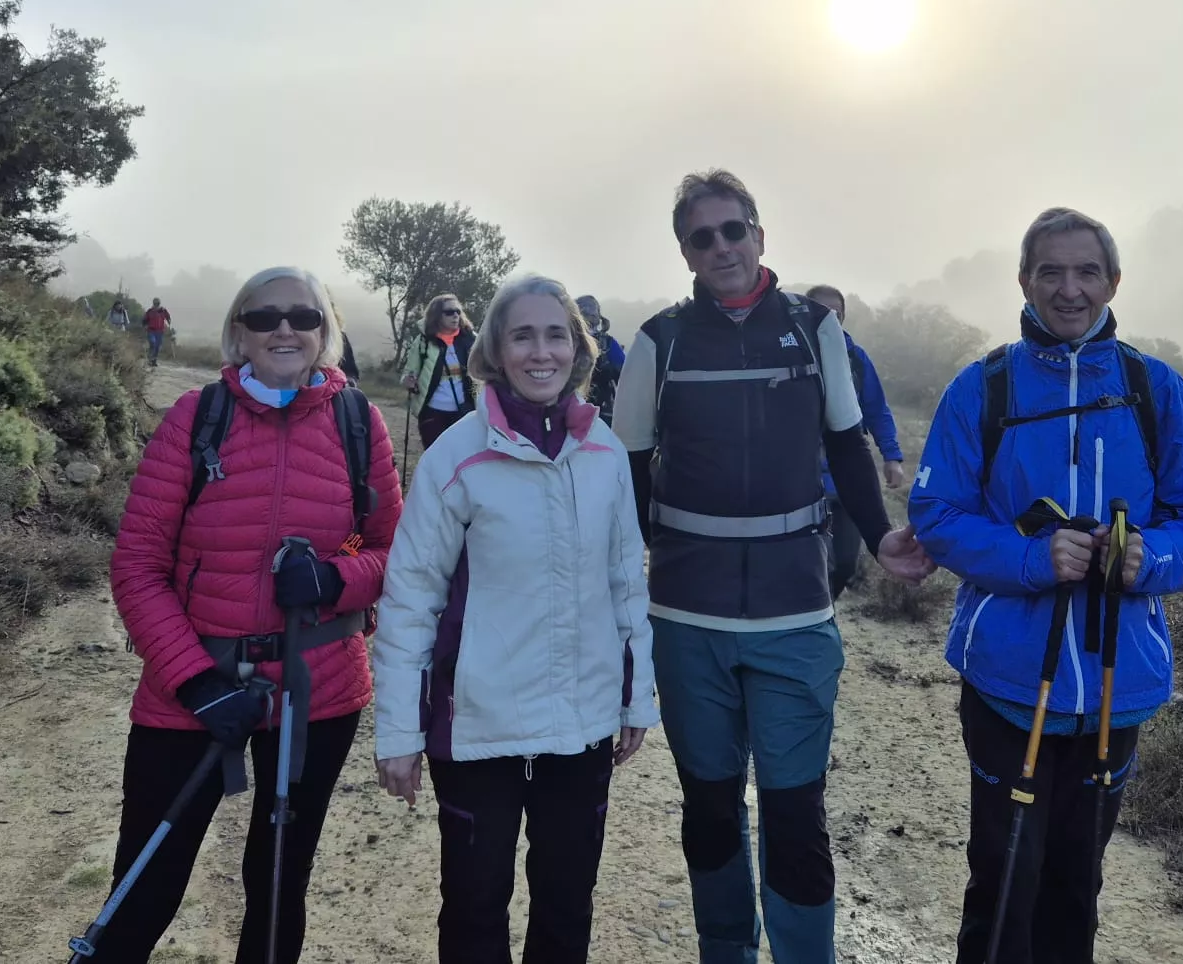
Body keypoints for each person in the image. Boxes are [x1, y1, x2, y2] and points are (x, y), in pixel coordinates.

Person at [611, 169, 934, 963]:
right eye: (701, 236)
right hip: (689, 618)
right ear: (684, 250)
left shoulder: (814, 329)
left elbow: (845, 448)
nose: (720, 246)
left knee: (794, 812)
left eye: (733, 229)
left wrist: (880, 533)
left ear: (760, 233)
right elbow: (629, 469)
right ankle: (727, 950)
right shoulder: (660, 340)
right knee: (712, 808)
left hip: (794, 612)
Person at [908, 208, 1183, 964]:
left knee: (1076, 884)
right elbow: (936, 512)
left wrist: (1149, 557)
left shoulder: (1158, 391)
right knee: (1004, 878)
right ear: (1024, 281)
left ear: (1114, 281)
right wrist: (1029, 559)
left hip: (1119, 687)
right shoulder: (982, 387)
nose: (1069, 289)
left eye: (1087, 271)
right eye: (1050, 271)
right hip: (1007, 681)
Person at [104, 266, 403, 963]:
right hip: (195, 687)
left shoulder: (360, 422)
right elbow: (137, 566)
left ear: (325, 331)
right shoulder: (197, 416)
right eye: (265, 317)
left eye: (302, 317)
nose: (284, 330)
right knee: (145, 883)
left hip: (318, 688)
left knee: (276, 888)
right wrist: (199, 684)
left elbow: (397, 552)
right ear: (239, 331)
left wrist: (334, 578)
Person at [372, 274, 658, 963]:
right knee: (473, 913)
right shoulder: (455, 456)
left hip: (581, 727)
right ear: (495, 350)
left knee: (565, 910)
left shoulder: (606, 455)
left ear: (577, 348)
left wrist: (636, 696)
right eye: (522, 335)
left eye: (555, 334)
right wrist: (398, 732)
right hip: (478, 733)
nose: (541, 352)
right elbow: (411, 597)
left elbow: (626, 583)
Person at [802, 284, 908, 599]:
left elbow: (877, 410)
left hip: (848, 481)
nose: (829, 320)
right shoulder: (785, 357)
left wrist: (892, 457)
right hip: (804, 483)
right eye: (821, 312)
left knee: (846, 564)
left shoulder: (856, 359)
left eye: (836, 314)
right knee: (819, 562)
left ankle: (826, 609)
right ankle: (818, 618)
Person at [401, 294, 477, 451]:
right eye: (449, 312)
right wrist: (408, 380)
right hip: (432, 414)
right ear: (437, 315)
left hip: (465, 413)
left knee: (463, 458)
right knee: (436, 458)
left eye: (458, 311)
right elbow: (409, 372)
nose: (455, 315)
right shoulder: (424, 342)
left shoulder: (471, 340)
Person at [575, 294, 627, 425]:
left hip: (590, 414)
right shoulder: (608, 344)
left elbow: (626, 376)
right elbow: (627, 376)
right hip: (600, 414)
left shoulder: (564, 342)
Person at [142, 296, 173, 368]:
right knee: (152, 343)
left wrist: (169, 321)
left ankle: (154, 361)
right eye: (155, 303)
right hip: (151, 330)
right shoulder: (150, 311)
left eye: (157, 303)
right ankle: (150, 359)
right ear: (153, 303)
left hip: (160, 331)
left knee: (157, 347)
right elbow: (144, 320)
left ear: (159, 303)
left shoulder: (163, 311)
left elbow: (168, 317)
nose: (156, 305)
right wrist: (145, 325)